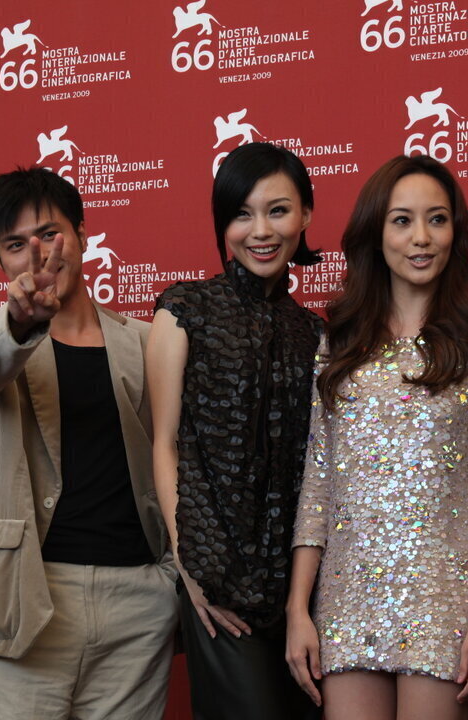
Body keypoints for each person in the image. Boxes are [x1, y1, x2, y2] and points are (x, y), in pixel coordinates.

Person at [286, 155, 468, 720]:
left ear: (455, 234)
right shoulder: (337, 345)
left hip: (443, 600)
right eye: (402, 220)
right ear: (375, 232)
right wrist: (298, 609)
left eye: (437, 220)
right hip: (346, 600)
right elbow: (317, 487)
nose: (421, 238)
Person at [0, 167, 178, 719]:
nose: (38, 253)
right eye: (15, 244)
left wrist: (167, 581)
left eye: (50, 233)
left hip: (138, 606)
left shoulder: (146, 341)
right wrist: (21, 322)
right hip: (31, 598)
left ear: (81, 233)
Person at [146, 142, 323, 720]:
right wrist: (192, 572)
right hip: (220, 585)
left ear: (305, 216)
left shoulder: (317, 333)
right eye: (241, 214)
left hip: (306, 595)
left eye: (278, 210)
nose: (261, 230)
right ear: (223, 225)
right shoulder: (183, 310)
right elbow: (165, 445)